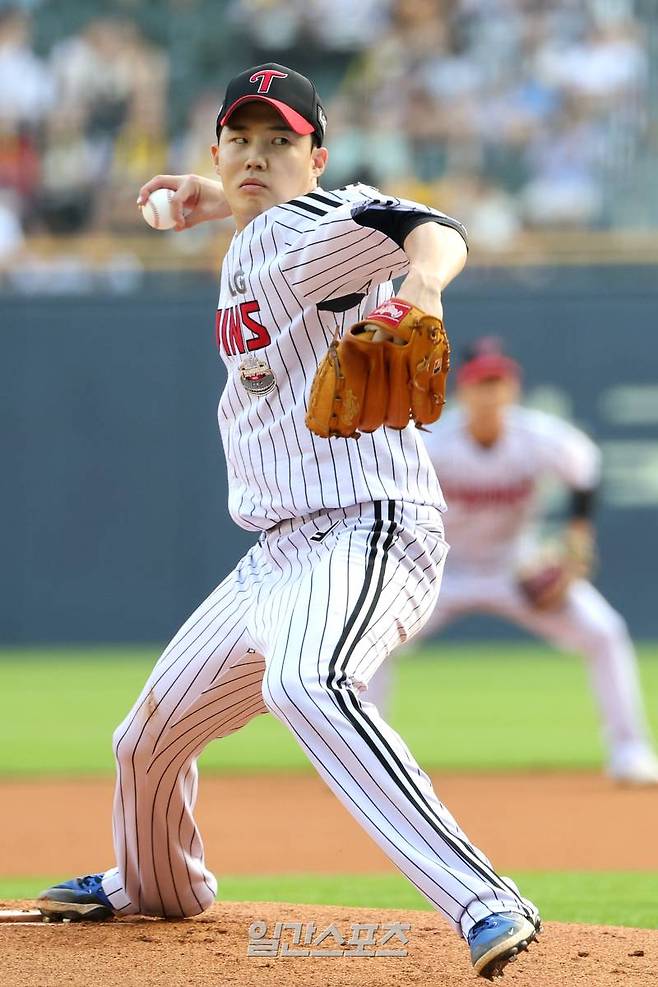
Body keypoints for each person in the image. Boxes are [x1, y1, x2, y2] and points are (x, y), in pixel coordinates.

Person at [37, 64, 540, 978]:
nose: (258, 154)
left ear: (319, 153)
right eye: (242, 140)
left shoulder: (316, 227)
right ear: (219, 148)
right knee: (144, 742)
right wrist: (217, 197)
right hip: (277, 554)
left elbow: (432, 230)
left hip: (367, 527)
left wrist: (422, 286)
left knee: (310, 680)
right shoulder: (255, 233)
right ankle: (158, 885)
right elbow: (263, 216)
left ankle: (485, 897)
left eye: (281, 141)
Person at [384, 338, 656, 785]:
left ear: (512, 389)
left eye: (499, 381)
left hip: (516, 569)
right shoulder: (434, 442)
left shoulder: (538, 437)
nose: (491, 392)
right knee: (370, 647)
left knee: (605, 632)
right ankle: (368, 767)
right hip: (439, 572)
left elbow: (585, 470)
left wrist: (577, 536)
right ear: (463, 391)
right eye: (481, 383)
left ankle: (630, 753)